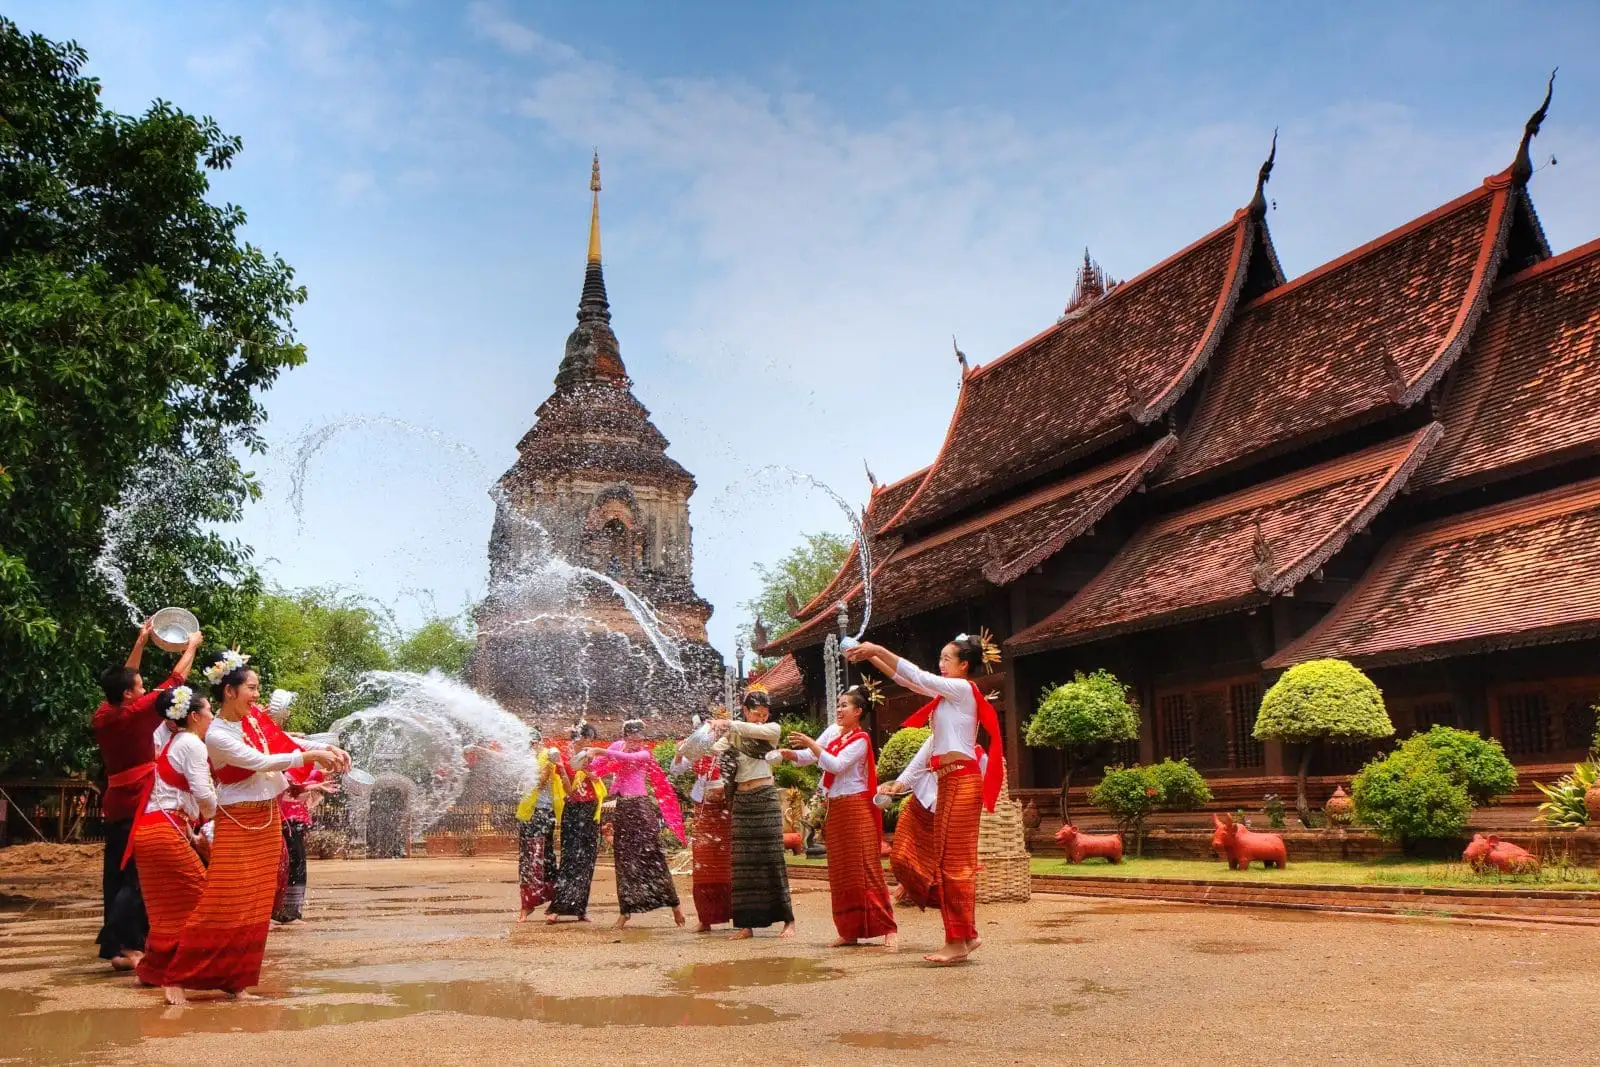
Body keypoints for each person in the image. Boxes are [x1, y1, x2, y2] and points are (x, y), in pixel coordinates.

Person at [162, 652, 346, 1001]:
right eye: (252, 688)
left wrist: (325, 747)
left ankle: (236, 980)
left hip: (267, 817)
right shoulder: (216, 734)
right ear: (229, 691)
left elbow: (287, 743)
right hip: (238, 820)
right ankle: (176, 976)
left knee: (256, 905)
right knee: (222, 900)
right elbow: (261, 761)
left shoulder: (253, 720)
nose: (257, 695)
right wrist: (311, 758)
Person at [845, 632, 1005, 965]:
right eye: (941, 658)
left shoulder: (961, 690)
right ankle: (966, 936)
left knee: (953, 863)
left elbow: (917, 676)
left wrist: (879, 647)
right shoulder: (947, 698)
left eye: (947, 659)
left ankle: (959, 940)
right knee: (947, 861)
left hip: (962, 780)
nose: (941, 664)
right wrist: (872, 657)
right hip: (951, 781)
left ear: (964, 665)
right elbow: (908, 679)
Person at [91, 620, 204, 972]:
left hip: (115, 801)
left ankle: (117, 946)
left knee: (116, 874)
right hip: (140, 799)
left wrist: (141, 640)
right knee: (136, 876)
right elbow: (176, 683)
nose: (142, 689)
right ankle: (127, 946)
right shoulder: (137, 713)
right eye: (138, 687)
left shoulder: (104, 713)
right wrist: (192, 647)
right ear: (129, 694)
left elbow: (128, 676)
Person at [784, 686, 897, 949]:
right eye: (839, 704)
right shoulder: (836, 734)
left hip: (856, 808)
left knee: (866, 868)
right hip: (836, 808)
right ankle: (849, 931)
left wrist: (810, 744)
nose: (840, 709)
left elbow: (834, 764)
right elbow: (810, 757)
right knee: (841, 872)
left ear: (858, 712)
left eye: (845, 705)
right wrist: (788, 754)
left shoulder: (860, 740)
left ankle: (887, 928)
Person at [126, 686, 216, 1001]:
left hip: (151, 830)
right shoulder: (191, 743)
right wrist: (226, 813)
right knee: (203, 902)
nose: (212, 716)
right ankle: (177, 978)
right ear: (194, 716)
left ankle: (151, 972)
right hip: (166, 830)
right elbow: (203, 794)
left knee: (166, 908)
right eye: (209, 710)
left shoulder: (174, 741)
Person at [708, 687, 795, 940]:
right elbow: (714, 750)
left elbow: (754, 730)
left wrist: (728, 724)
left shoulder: (771, 730)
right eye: (756, 713)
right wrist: (705, 736)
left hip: (765, 798)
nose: (761, 718)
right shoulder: (735, 733)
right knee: (743, 864)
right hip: (743, 801)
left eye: (765, 714)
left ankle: (788, 921)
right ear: (745, 711)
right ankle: (746, 925)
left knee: (772, 859)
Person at [584, 720, 687, 930]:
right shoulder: (615, 748)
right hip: (618, 804)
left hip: (639, 807)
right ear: (625, 737)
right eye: (632, 739)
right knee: (624, 861)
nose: (637, 743)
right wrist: (585, 763)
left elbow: (627, 758)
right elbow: (596, 771)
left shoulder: (643, 754)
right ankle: (625, 911)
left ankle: (674, 905)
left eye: (640, 739)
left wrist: (599, 750)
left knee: (653, 856)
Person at [882, 741, 988, 908]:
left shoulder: (979, 757)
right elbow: (914, 769)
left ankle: (941, 904)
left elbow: (977, 795)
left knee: (941, 873)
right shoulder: (935, 741)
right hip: (918, 807)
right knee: (899, 859)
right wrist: (895, 788)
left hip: (946, 819)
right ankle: (915, 891)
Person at [267, 690, 336, 925]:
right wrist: (313, 784)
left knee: (294, 862)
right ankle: (284, 912)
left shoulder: (299, 761)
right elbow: (288, 783)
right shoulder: (282, 754)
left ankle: (289, 911)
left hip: (292, 817)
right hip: (282, 816)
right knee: (291, 862)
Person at [672, 708, 730, 932]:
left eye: (707, 727)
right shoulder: (696, 748)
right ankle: (706, 918)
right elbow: (676, 769)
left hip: (726, 806)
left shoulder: (729, 741)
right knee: (704, 861)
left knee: (730, 860)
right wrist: (679, 752)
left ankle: (741, 914)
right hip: (703, 806)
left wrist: (722, 724)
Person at [545, 722, 605, 924]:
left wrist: (586, 769)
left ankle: (581, 908)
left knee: (587, 860)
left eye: (589, 739)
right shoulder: (566, 760)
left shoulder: (593, 759)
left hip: (590, 811)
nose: (585, 743)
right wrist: (563, 770)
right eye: (581, 739)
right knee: (570, 858)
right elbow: (569, 791)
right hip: (572, 811)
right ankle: (557, 908)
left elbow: (598, 779)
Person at [515, 730, 560, 922]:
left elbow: (540, 782)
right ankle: (526, 905)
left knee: (545, 856)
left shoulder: (549, 756)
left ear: (539, 742)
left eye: (534, 742)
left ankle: (553, 900)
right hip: (527, 814)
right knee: (527, 858)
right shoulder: (525, 760)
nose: (532, 745)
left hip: (543, 813)